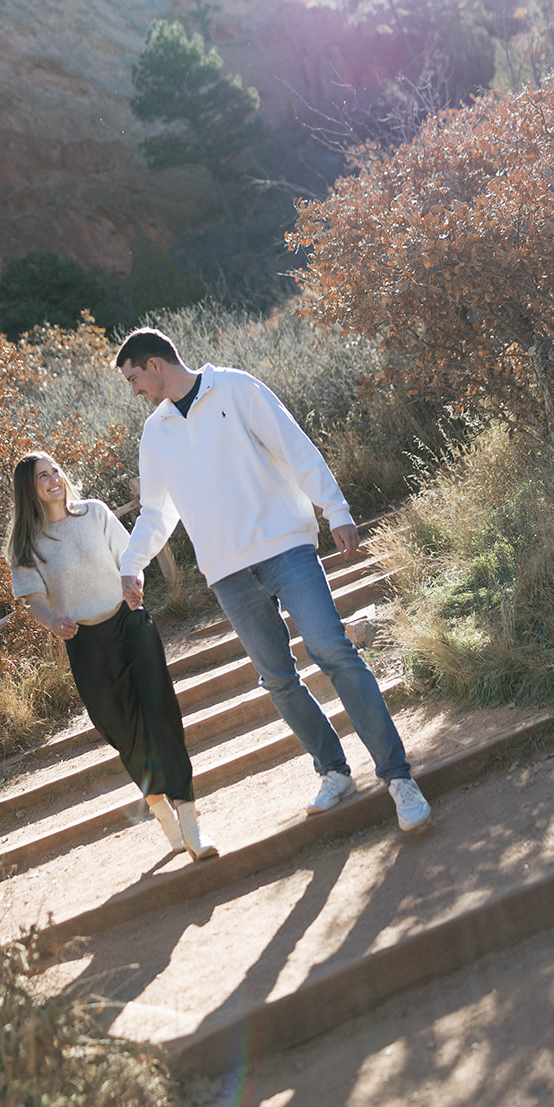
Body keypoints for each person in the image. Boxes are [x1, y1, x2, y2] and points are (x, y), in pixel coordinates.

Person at [114, 329, 431, 832]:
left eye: (133, 378)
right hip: (227, 573)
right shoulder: (156, 433)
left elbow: (294, 446)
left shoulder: (236, 388)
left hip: (286, 546)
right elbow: (156, 510)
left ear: (154, 364)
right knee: (279, 680)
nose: (134, 391)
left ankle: (398, 777)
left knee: (332, 650)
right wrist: (132, 564)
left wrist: (336, 508)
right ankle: (333, 770)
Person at [5, 451, 217, 860]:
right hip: (85, 643)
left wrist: (134, 581)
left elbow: (130, 560)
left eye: (55, 471)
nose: (53, 480)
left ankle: (192, 826)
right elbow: (36, 601)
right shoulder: (26, 544)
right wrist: (52, 622)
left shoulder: (95, 514)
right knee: (122, 731)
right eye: (42, 477)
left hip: (130, 623)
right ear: (28, 490)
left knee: (162, 717)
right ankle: (161, 810)